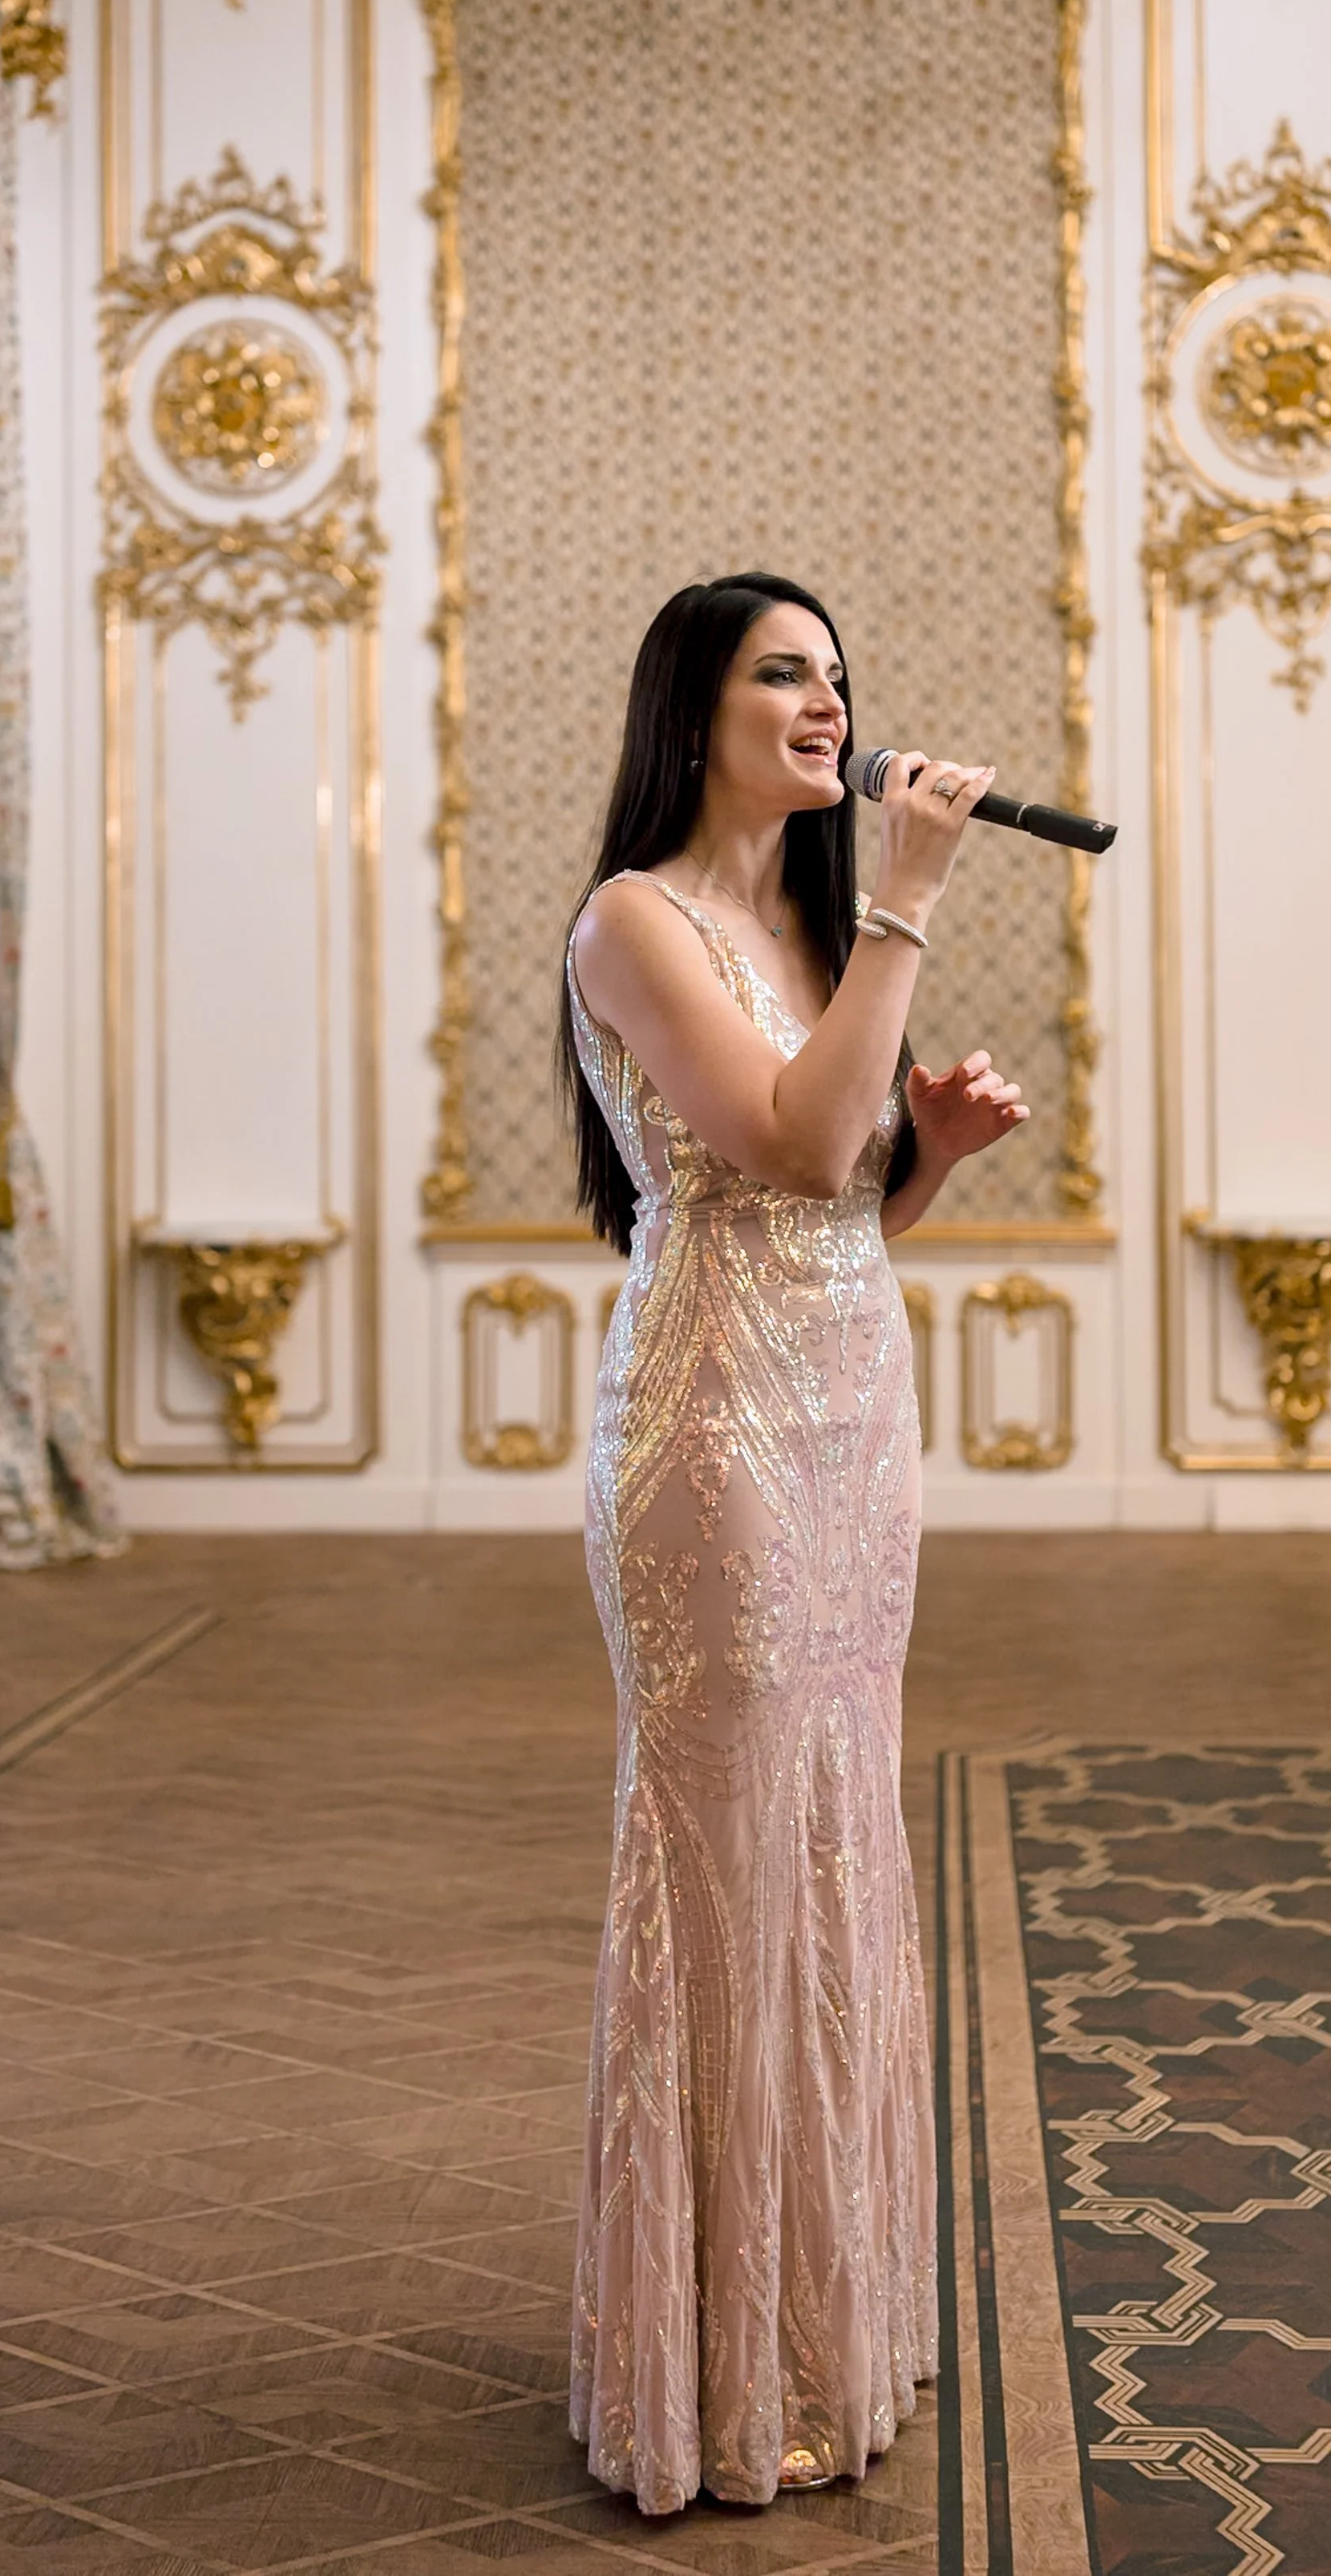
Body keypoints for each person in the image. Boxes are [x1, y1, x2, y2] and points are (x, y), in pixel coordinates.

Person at [559, 571, 1030, 2513]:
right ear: (696, 711)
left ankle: (814, 2340)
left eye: (838, 677)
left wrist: (932, 1160)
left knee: (834, 1832)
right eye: (783, 676)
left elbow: (834, 1199)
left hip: (850, 1417)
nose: (828, 708)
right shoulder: (635, 919)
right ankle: (698, 2366)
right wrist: (908, 900)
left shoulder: (796, 918)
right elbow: (765, 1153)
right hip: (709, 1445)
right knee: (730, 1853)